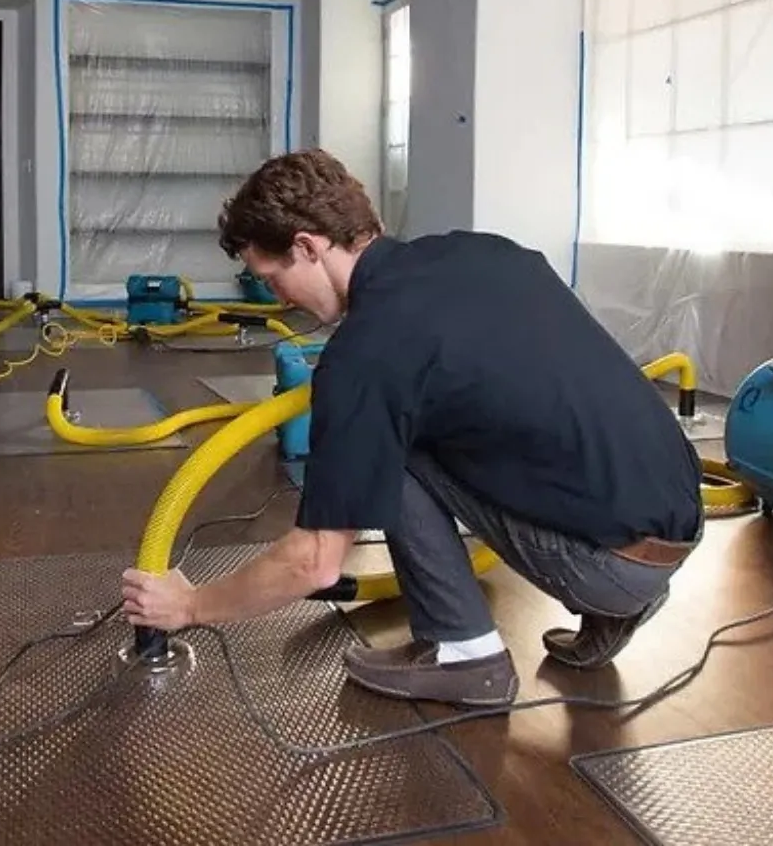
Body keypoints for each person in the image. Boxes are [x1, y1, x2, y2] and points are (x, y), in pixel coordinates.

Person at [121, 149, 704, 708]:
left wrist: (190, 605)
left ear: (307, 246)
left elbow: (314, 563)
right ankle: (621, 605)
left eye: (273, 278)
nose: (280, 298)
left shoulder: (366, 352)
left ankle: (465, 653)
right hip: (681, 513)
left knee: (389, 443)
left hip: (613, 565)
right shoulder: (487, 252)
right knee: (457, 423)